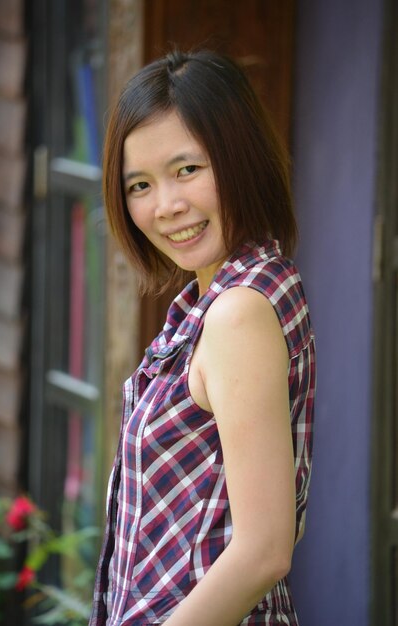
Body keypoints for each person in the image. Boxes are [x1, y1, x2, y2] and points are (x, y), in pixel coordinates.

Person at [90, 49, 316, 626]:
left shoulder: (237, 312)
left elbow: (264, 550)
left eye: (187, 169)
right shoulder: (242, 286)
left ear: (238, 159)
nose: (167, 206)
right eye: (140, 183)